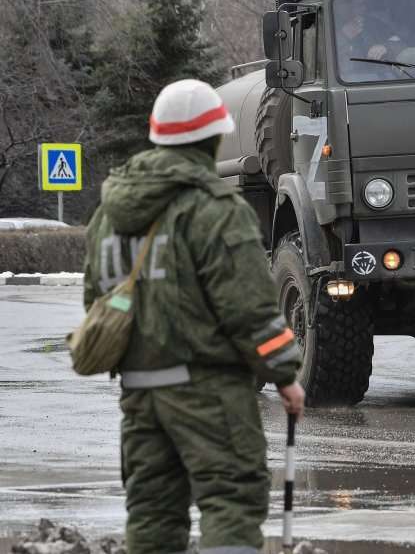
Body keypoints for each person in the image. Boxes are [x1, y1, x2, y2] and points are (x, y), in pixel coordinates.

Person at [82, 79, 305, 554]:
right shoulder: (217, 209)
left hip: (140, 396)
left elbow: (95, 302)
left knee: (153, 516)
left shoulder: (108, 215)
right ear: (211, 140)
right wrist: (285, 373)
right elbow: (250, 308)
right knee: (231, 503)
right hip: (210, 393)